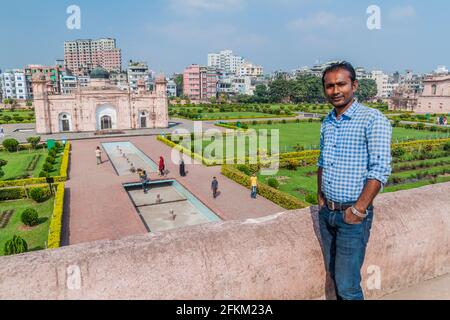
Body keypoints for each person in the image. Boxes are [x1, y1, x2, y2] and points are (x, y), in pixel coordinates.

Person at [317, 61, 392, 300]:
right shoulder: (328, 121)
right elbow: (322, 161)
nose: (335, 91)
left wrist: (358, 210)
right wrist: (320, 197)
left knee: (348, 285)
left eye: (341, 84)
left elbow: (379, 170)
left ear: (354, 85)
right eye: (329, 86)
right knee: (334, 274)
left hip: (352, 214)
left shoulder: (372, 119)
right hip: (327, 212)